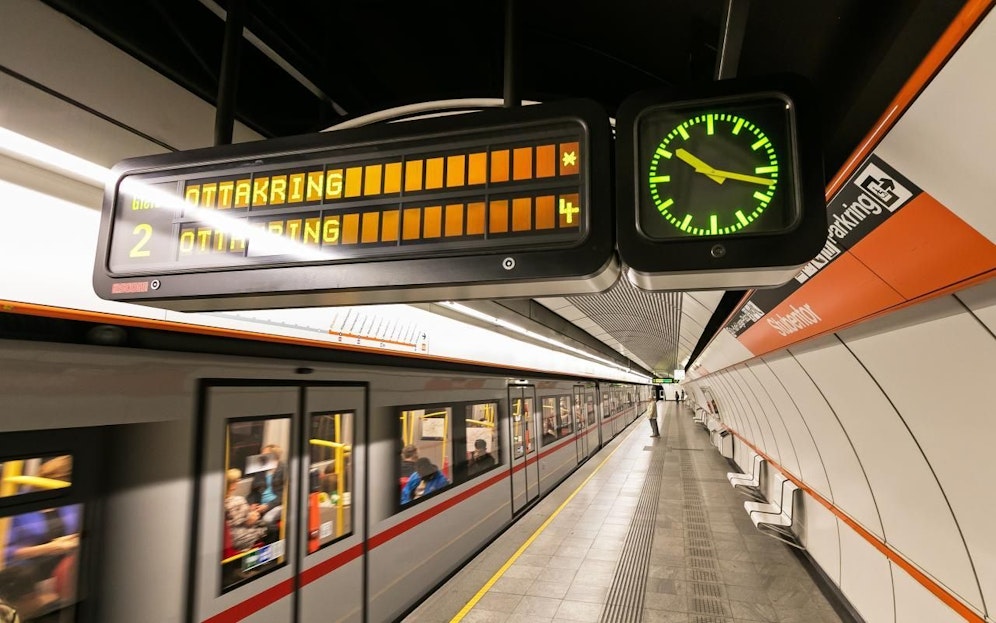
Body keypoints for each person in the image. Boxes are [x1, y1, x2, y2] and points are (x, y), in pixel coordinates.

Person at [224, 468, 267, 553]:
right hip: (242, 538)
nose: (238, 482)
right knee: (269, 528)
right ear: (231, 485)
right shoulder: (238, 501)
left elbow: (236, 518)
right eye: (236, 481)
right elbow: (248, 522)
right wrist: (254, 513)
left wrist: (249, 510)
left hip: (232, 536)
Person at [248, 444, 284, 526]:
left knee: (267, 519)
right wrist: (251, 504)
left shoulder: (284, 470)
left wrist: (268, 506)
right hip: (260, 505)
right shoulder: (261, 471)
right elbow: (254, 492)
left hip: (278, 505)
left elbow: (284, 495)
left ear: (274, 456)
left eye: (265, 455)